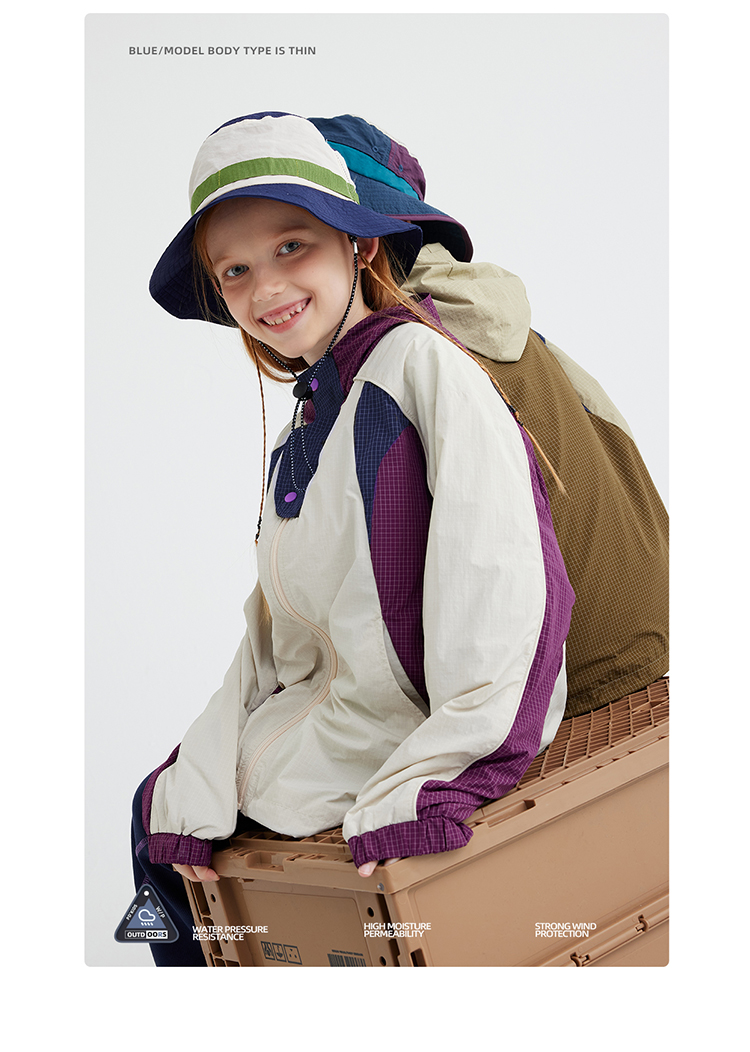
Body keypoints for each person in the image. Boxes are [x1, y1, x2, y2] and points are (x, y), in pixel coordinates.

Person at [133, 111, 574, 965]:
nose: (265, 288)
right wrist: (199, 769)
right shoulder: (310, 421)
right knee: (155, 812)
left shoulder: (420, 367)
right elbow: (274, 638)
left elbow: (506, 578)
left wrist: (442, 776)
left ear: (359, 246)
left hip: (393, 744)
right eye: (235, 270)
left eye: (291, 246)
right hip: (321, 735)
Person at [307, 114, 668, 718]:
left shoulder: (404, 351)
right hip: (651, 632)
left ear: (362, 243)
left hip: (548, 686)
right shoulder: (517, 331)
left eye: (294, 243)